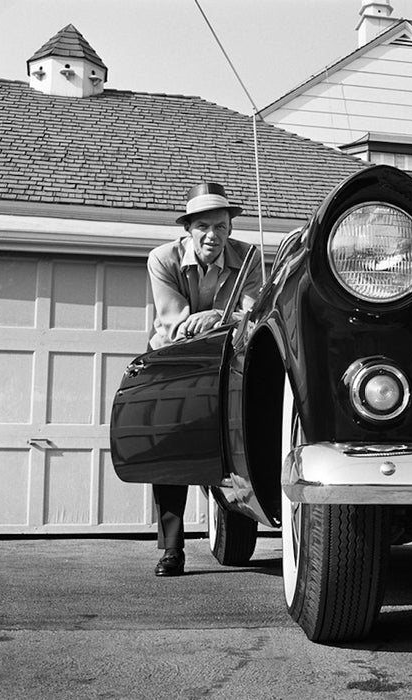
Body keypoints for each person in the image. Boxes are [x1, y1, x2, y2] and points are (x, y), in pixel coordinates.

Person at [147, 182, 262, 576]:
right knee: (172, 452)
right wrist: (220, 318)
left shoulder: (250, 257)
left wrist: (216, 317)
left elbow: (253, 314)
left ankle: (240, 516)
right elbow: (174, 323)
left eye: (221, 227)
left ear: (231, 228)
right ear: (188, 229)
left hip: (229, 359)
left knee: (236, 441)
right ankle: (172, 548)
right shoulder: (162, 259)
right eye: (204, 227)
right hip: (176, 362)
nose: (213, 235)